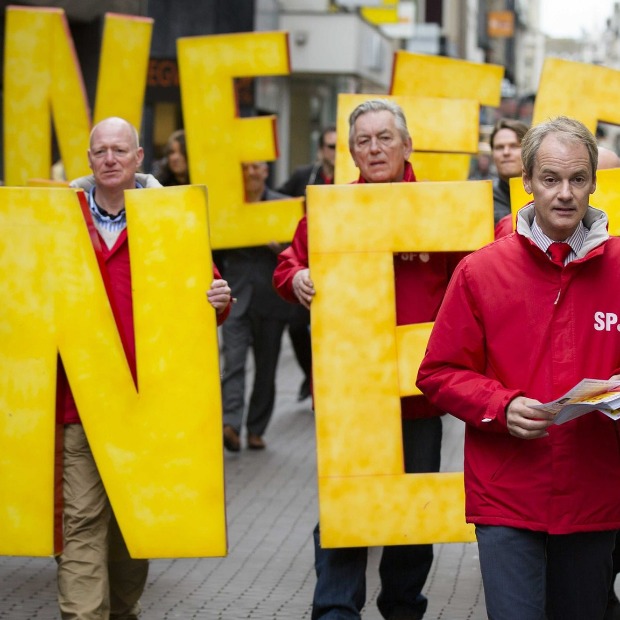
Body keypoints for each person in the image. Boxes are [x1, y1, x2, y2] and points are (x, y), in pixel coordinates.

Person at [417, 116, 620, 620]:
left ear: (595, 181)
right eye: (550, 179)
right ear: (526, 181)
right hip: (506, 491)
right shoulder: (480, 270)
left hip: (595, 491)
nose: (565, 193)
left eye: (577, 179)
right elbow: (437, 372)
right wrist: (500, 406)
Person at [274, 99, 462, 620]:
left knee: (414, 511)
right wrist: (296, 278)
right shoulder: (329, 210)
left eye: (384, 137)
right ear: (350, 150)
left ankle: (403, 607)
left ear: (408, 144)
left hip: (419, 396)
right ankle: (335, 609)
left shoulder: (440, 207)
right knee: (345, 507)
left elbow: (475, 274)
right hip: (352, 394)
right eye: (363, 141)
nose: (374, 148)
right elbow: (289, 263)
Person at [58, 117, 232, 620]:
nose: (109, 159)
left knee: (133, 523)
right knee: (82, 520)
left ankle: (122, 610)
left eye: (120, 150)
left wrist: (218, 300)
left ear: (138, 159)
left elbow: (208, 292)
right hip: (80, 401)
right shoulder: (60, 218)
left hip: (148, 400)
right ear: (88, 160)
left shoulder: (172, 217)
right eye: (100, 151)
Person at [220, 161, 292, 452]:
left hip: (270, 299)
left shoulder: (283, 206)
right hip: (235, 298)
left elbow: (298, 252)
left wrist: (280, 249)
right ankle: (231, 424)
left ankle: (256, 429)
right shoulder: (227, 206)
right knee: (233, 363)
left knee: (267, 367)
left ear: (266, 171)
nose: (252, 172)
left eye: (257, 167)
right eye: (246, 167)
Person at [277, 125, 337, 402]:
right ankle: (307, 374)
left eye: (340, 147)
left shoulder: (352, 181)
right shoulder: (305, 176)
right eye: (330, 146)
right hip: (310, 270)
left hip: (341, 273)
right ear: (321, 150)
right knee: (297, 327)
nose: (335, 153)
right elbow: (275, 200)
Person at [489, 118, 529, 230]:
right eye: (499, 147)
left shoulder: (545, 194)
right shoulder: (483, 199)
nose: (506, 152)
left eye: (514, 146)